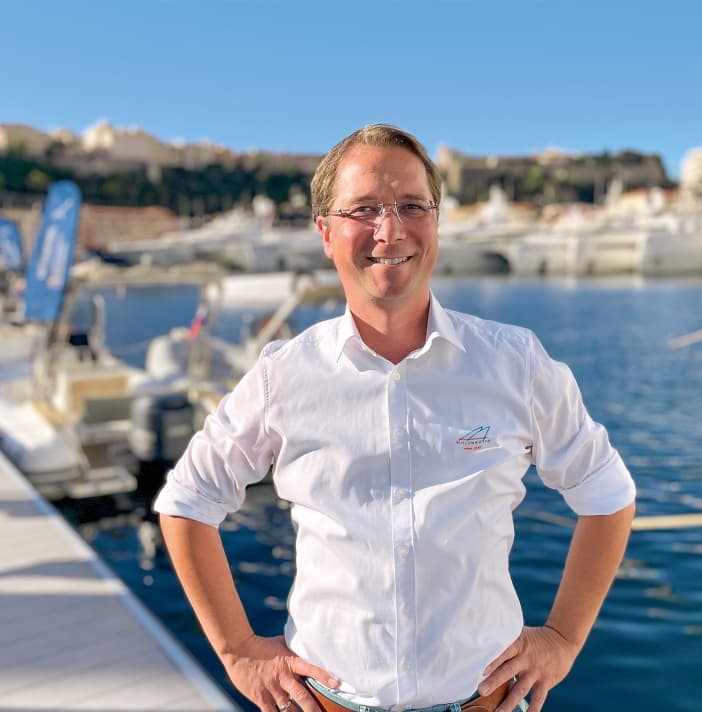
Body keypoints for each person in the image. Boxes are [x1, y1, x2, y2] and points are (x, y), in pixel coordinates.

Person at [156, 125, 636, 712]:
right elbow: (187, 500)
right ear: (325, 233)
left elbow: (606, 493)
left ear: (436, 223)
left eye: (413, 206)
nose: (391, 229)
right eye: (364, 209)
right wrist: (237, 651)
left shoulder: (515, 363)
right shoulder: (283, 376)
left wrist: (563, 638)